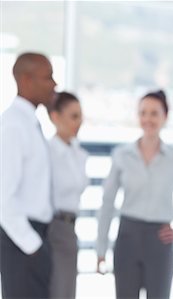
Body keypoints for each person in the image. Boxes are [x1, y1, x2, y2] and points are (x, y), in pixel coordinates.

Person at [96, 90, 173, 299]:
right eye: (143, 113)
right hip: (127, 238)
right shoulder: (122, 156)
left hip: (159, 241)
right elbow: (107, 204)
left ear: (165, 117)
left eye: (154, 113)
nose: (148, 119)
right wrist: (100, 249)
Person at [0, 52, 56, 298]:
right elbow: (3, 196)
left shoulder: (29, 122)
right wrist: (32, 246)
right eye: (48, 77)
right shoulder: (13, 125)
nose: (54, 84)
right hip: (21, 241)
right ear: (26, 80)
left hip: (33, 237)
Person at [47, 91, 89, 299]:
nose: (79, 122)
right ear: (55, 117)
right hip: (52, 229)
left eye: (80, 116)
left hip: (70, 230)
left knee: (66, 292)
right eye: (73, 116)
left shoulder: (77, 151)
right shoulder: (47, 152)